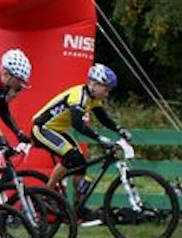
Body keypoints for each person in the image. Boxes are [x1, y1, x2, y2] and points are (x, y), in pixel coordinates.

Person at [31, 63, 130, 194]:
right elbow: (77, 124)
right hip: (42, 129)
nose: (107, 94)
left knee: (81, 163)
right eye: (106, 90)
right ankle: (48, 194)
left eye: (109, 90)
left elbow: (103, 118)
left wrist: (119, 130)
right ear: (94, 84)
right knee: (72, 157)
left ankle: (78, 205)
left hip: (56, 130)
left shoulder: (93, 98)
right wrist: (99, 138)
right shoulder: (78, 96)